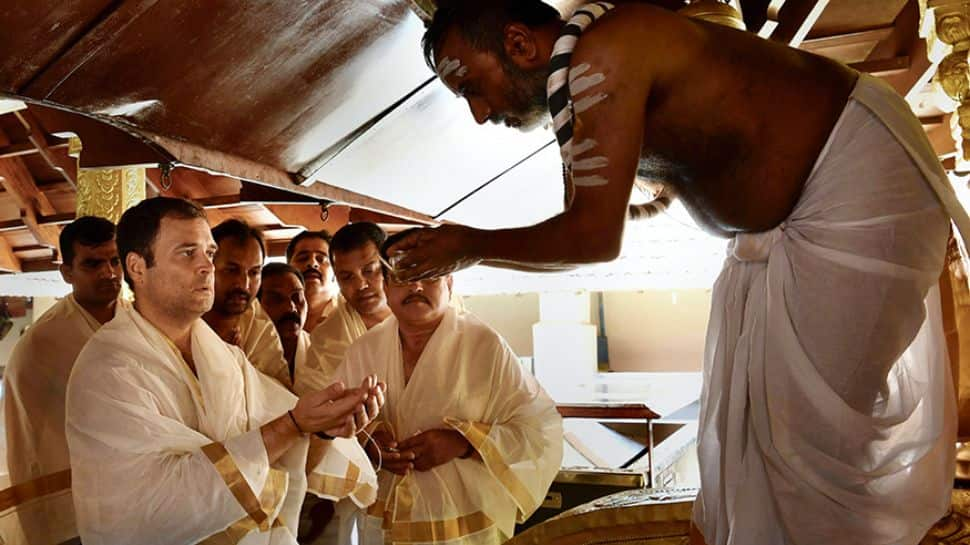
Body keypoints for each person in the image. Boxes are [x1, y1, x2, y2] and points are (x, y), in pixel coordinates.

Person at [387, 2, 970, 545]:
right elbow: (597, 219)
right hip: (785, 226)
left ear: (517, 43)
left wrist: (470, 246)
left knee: (810, 444)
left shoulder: (605, 54)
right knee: (759, 437)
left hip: (854, 183)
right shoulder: (582, 77)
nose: (480, 113)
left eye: (470, 88)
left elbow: (592, 238)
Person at [65, 197, 383, 545]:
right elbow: (156, 508)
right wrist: (294, 425)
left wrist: (325, 427)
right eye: (188, 253)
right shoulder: (107, 369)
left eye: (210, 254)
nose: (207, 267)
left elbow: (285, 435)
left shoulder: (226, 358)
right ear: (138, 268)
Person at [337, 231, 563, 545]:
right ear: (385, 286)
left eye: (429, 275)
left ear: (450, 283)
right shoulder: (362, 351)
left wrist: (464, 442)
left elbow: (541, 432)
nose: (416, 287)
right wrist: (369, 442)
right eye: (403, 276)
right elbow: (333, 432)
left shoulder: (485, 346)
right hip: (383, 527)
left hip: (465, 530)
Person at [2, 216, 122, 545]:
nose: (108, 273)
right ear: (66, 272)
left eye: (115, 260)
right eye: (93, 264)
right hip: (71, 509)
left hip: (136, 496)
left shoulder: (138, 322)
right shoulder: (43, 343)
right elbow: (36, 442)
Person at [304, 222, 392, 392]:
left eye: (369, 271)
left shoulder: (419, 315)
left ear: (389, 266)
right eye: (346, 277)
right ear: (336, 279)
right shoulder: (325, 339)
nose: (360, 285)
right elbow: (317, 400)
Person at [203, 219, 291, 388]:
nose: (244, 284)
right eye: (232, 270)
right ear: (207, 266)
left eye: (254, 272)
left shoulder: (259, 329)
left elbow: (283, 397)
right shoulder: (182, 318)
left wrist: (240, 368)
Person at [287, 230, 338, 333]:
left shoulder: (350, 315)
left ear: (335, 272)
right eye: (303, 258)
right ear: (288, 268)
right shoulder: (271, 316)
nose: (312, 263)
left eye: (321, 259)